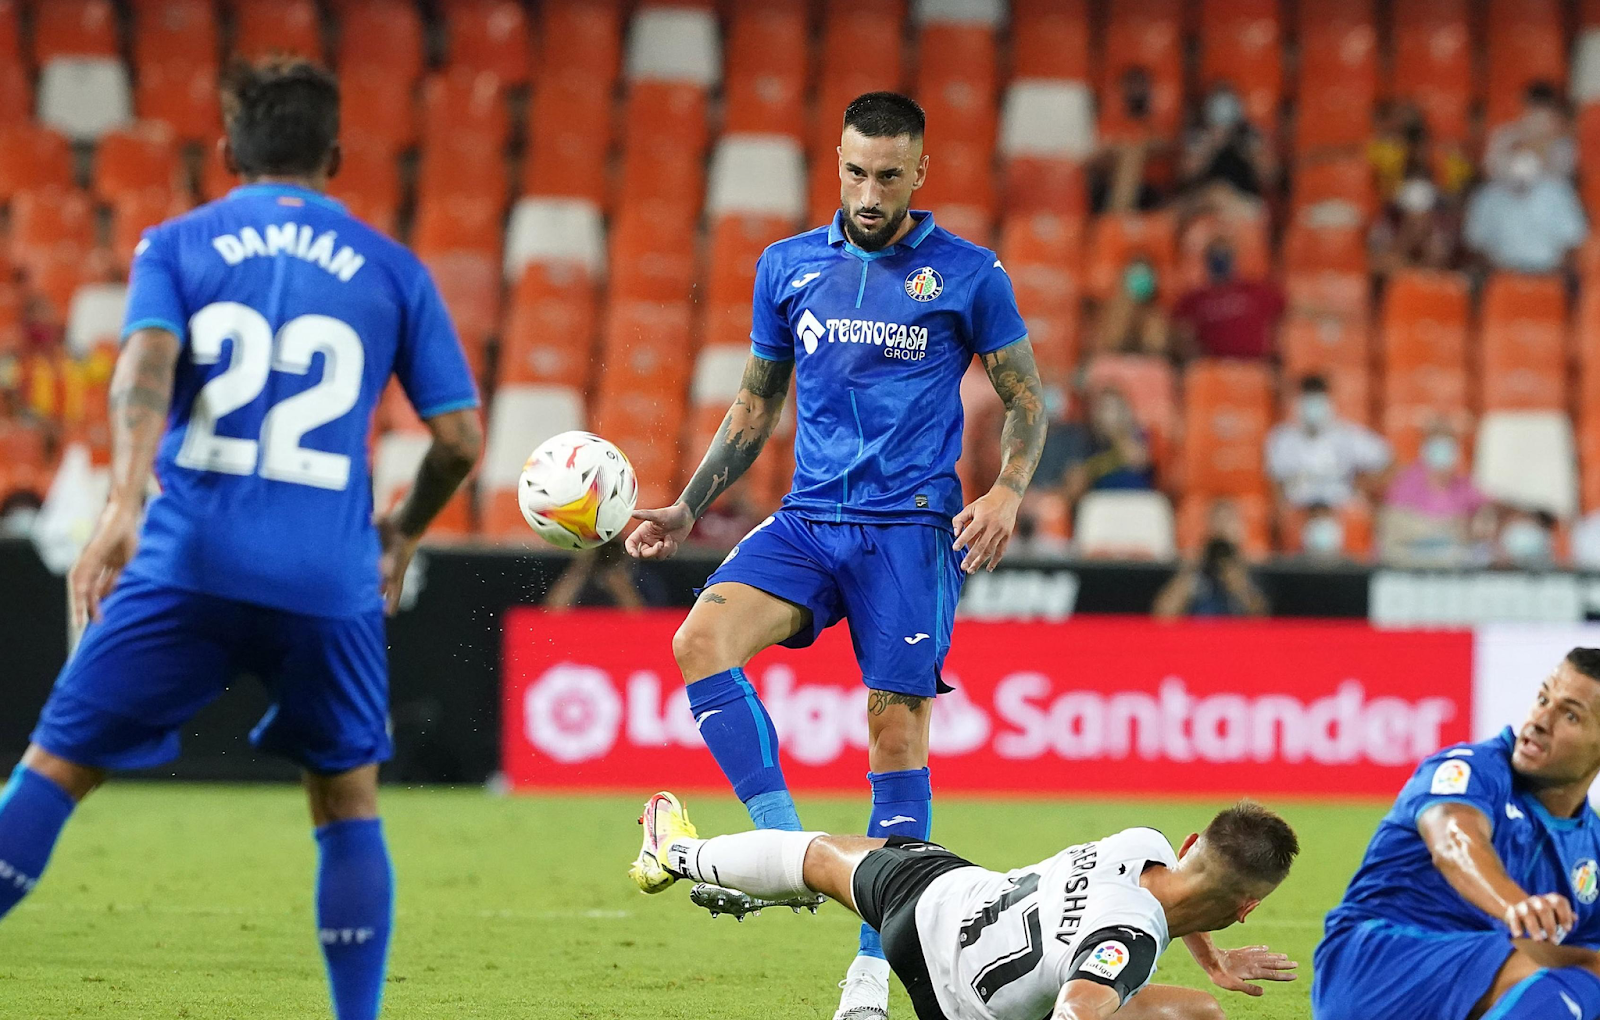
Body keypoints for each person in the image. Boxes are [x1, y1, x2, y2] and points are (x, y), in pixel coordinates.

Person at [0, 62, 482, 1020]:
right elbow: (460, 439)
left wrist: (123, 503)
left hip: (188, 560)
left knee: (53, 770)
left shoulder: (176, 244)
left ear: (227, 152)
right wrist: (399, 535)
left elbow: (144, 362)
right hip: (327, 576)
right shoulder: (393, 269)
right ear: (335, 156)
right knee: (347, 802)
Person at [624, 91, 1047, 1020]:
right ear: (838, 163)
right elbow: (752, 407)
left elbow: (1026, 401)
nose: (869, 190)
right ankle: (785, 853)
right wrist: (688, 506)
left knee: (894, 733)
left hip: (909, 531)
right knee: (697, 643)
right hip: (811, 520)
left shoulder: (968, 274)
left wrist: (1008, 492)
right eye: (855, 170)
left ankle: (869, 968)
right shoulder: (786, 267)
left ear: (920, 173)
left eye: (889, 174)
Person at [632, 792, 1300, 1020]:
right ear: (1245, 907)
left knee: (821, 857)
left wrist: (1210, 960)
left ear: (1189, 846)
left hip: (941, 894)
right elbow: (1082, 1004)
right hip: (956, 998)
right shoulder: (1127, 941)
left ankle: (678, 854)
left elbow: (1182, 893)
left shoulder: (1142, 842)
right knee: (1199, 1016)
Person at [1313, 648, 1600, 1020]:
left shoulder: (1589, 850)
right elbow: (1454, 841)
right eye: (1543, 698)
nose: (1540, 720)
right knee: (1552, 986)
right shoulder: (1471, 770)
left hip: (1471, 972)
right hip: (1375, 962)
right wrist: (1515, 904)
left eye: (1570, 715)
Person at [1265, 374, 1391, 519]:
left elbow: (1390, 464)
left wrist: (1362, 484)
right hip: (1300, 517)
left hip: (1341, 516)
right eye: (1308, 399)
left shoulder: (1349, 436)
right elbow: (1276, 487)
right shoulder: (1282, 439)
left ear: (1329, 402)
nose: (1312, 407)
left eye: (1318, 400)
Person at [1379, 424, 1491, 566]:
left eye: (1448, 450)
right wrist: (1442, 528)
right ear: (1425, 450)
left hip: (1453, 565)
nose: (1442, 456)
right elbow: (1395, 529)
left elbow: (1485, 514)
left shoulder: (1465, 486)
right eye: (1437, 449)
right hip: (1410, 564)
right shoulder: (1404, 484)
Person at [1464, 145, 1587, 275]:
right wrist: (1500, 273)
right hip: (1503, 273)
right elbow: (1476, 243)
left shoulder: (1558, 193)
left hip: (1549, 273)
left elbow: (1573, 240)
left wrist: (1555, 272)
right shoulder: (1487, 196)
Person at [1170, 238, 1285, 361]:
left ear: (1234, 259)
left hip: (1253, 365)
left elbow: (1285, 311)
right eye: (1214, 256)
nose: (1220, 261)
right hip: (1212, 369)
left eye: (1224, 255)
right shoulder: (1195, 298)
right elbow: (1177, 327)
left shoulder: (1256, 291)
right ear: (1206, 262)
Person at [1179, 82, 1275, 220]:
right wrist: (1210, 145)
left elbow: (1270, 175)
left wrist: (1251, 152)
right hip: (1203, 202)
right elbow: (1185, 174)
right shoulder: (1198, 135)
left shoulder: (1249, 134)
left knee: (1221, 195)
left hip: (1242, 201)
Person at [1058, 386, 1155, 506]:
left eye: (1115, 409)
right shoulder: (1089, 442)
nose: (1110, 415)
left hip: (1137, 501)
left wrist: (1118, 433)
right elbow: (1074, 489)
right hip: (1101, 505)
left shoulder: (1140, 434)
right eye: (1104, 409)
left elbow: (1139, 460)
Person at [1152, 536, 1267, 619]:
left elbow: (1261, 619)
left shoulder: (1240, 585)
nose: (1218, 565)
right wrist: (1191, 570)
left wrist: (1238, 584)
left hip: (1233, 642)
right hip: (1198, 639)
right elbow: (1163, 615)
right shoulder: (1196, 579)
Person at [1367, 174, 1460, 277]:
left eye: (1423, 219)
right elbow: (1376, 263)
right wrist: (1405, 241)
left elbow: (1437, 268)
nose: (1419, 224)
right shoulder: (1388, 226)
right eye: (1413, 220)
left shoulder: (1440, 233)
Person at [1485, 80, 1576, 184]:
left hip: (1546, 194)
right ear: (1524, 108)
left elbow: (1563, 175)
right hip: (1506, 192)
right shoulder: (1505, 134)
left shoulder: (1562, 143)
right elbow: (1490, 171)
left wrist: (1542, 147)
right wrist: (1517, 148)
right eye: (1532, 111)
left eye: (1542, 113)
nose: (1535, 119)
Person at [1090, 255, 1170, 356]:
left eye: (1145, 276)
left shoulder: (1158, 318)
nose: (1141, 281)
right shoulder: (1109, 316)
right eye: (1137, 276)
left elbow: (1159, 352)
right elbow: (1102, 352)